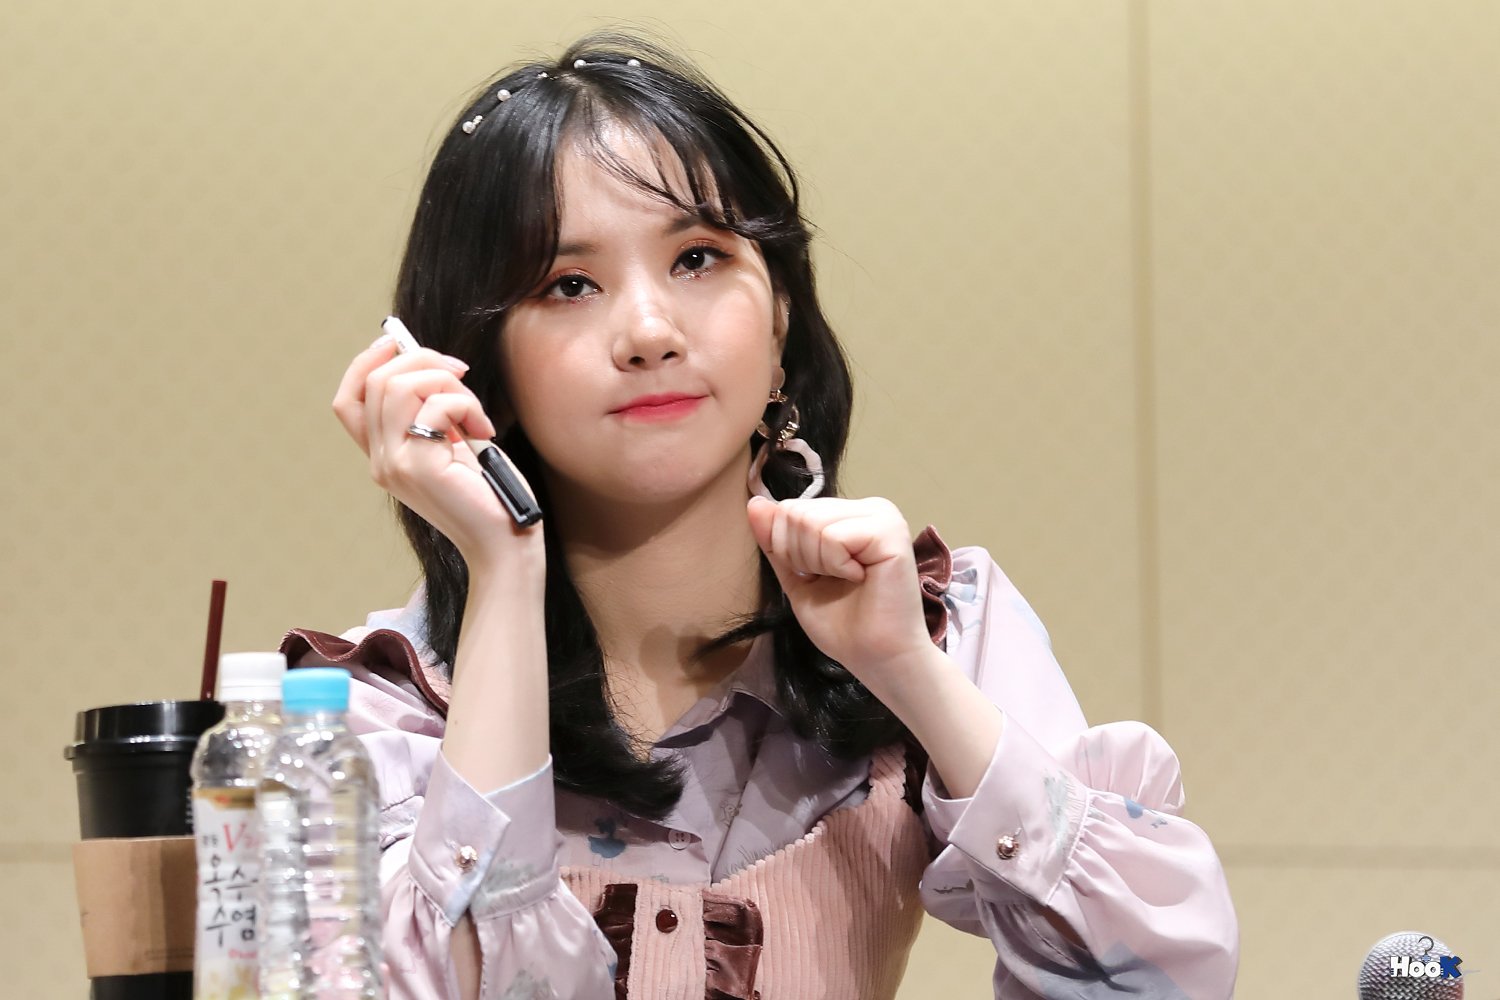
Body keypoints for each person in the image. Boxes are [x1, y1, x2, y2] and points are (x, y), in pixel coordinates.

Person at [282, 32, 1239, 1000]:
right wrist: (502, 569)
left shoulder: (935, 622)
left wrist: (905, 670)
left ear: (782, 318)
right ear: (475, 361)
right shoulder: (376, 710)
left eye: (698, 257)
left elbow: (1159, 982)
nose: (650, 332)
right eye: (569, 285)